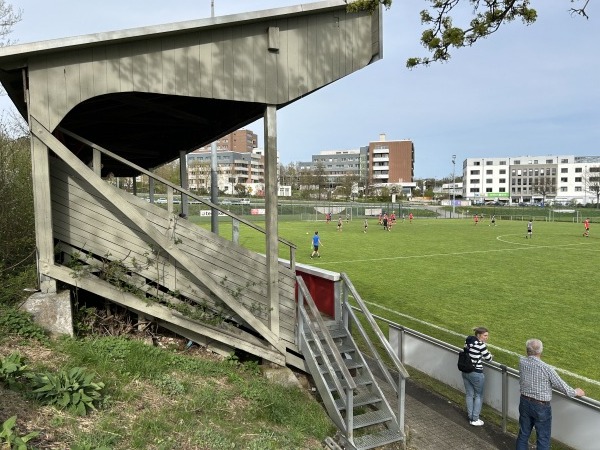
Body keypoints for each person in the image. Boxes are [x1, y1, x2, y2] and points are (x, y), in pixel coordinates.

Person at [516, 339, 585, 450]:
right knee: (543, 438)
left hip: (524, 402)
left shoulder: (522, 361)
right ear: (540, 351)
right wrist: (576, 392)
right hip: (540, 406)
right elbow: (563, 387)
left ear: (527, 350)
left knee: (523, 434)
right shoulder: (546, 368)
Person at [461, 327, 493, 426]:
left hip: (465, 371)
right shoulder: (480, 345)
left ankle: (470, 416)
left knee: (469, 394)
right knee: (478, 395)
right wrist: (491, 356)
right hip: (476, 373)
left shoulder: (468, 341)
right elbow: (488, 358)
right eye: (485, 335)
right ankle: (475, 419)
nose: (487, 337)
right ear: (479, 335)